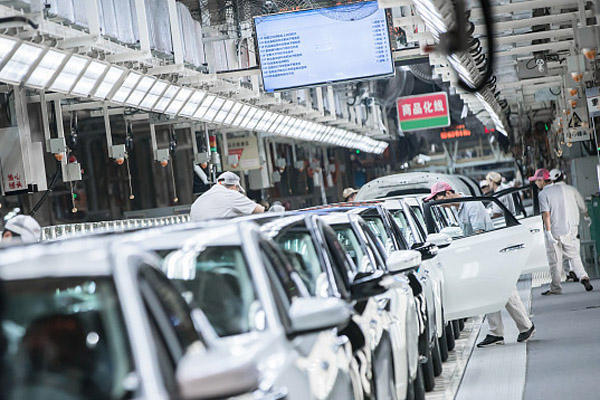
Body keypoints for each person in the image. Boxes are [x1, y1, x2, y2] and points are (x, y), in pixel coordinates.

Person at [425, 182, 535, 347]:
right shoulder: (459, 208)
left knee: (506, 291)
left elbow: (479, 233)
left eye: (437, 198)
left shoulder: (472, 205)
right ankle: (496, 333)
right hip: (481, 255)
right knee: (489, 292)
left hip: (489, 253)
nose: (438, 203)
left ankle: (526, 326)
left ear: (447, 193)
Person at [531, 168, 593, 294]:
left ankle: (556, 287)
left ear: (542, 180)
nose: (535, 183)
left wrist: (548, 232)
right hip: (566, 228)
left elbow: (546, 214)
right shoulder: (561, 189)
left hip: (553, 231)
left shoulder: (543, 194)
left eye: (537, 180)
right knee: (573, 254)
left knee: (555, 261)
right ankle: (583, 276)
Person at [190, 171, 264, 221]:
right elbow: (259, 210)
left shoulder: (201, 199)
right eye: (238, 190)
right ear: (234, 187)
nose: (238, 193)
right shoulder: (231, 194)